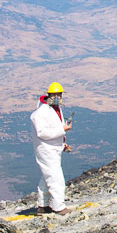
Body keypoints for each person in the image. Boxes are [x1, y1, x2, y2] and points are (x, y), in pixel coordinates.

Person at [30, 82, 73, 215]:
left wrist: (63, 142)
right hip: (46, 150)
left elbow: (55, 129)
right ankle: (59, 206)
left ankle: (43, 205)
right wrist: (62, 129)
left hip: (54, 148)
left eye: (59, 95)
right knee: (56, 177)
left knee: (47, 176)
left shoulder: (56, 109)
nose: (58, 97)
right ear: (49, 95)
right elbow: (42, 133)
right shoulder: (40, 113)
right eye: (56, 95)